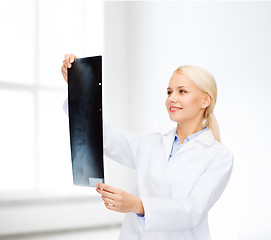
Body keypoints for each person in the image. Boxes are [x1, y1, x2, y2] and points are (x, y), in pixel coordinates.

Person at [61, 54, 233, 240]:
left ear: (205, 101)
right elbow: (104, 137)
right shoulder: (150, 144)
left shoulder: (219, 156)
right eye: (169, 92)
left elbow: (192, 211)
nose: (171, 98)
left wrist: (137, 205)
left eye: (182, 91)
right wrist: (79, 87)